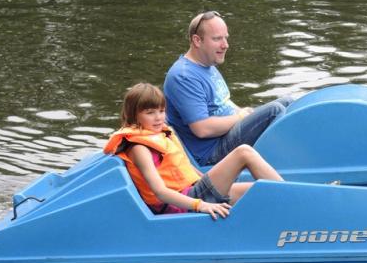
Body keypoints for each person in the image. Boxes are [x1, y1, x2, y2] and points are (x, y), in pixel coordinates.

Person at [104, 83, 283, 220]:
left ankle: (288, 206)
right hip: (183, 204)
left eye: (161, 111)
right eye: (150, 113)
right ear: (134, 115)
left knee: (259, 191)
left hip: (192, 191)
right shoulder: (139, 148)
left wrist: (213, 179)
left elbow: (186, 169)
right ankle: (294, 202)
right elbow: (160, 192)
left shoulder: (160, 134)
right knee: (244, 153)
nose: (158, 117)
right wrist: (200, 205)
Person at [163, 10, 292, 166]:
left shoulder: (208, 65)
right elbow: (202, 129)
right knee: (275, 110)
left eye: (225, 38)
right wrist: (240, 118)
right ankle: (288, 161)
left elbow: (223, 102)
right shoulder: (184, 77)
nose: (225, 45)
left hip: (227, 133)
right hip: (211, 152)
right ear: (197, 40)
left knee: (288, 102)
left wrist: (243, 112)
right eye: (217, 39)